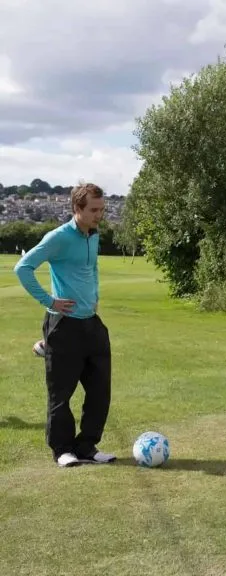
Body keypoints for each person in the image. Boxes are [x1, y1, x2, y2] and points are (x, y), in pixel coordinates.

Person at [14, 182, 116, 468]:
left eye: (102, 209)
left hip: (91, 325)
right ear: (77, 208)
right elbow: (23, 268)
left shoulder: (92, 235)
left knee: (99, 391)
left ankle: (87, 446)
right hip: (64, 325)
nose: (99, 215)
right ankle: (63, 450)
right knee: (61, 393)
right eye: (94, 210)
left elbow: (91, 267)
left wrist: (94, 296)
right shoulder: (58, 237)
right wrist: (49, 300)